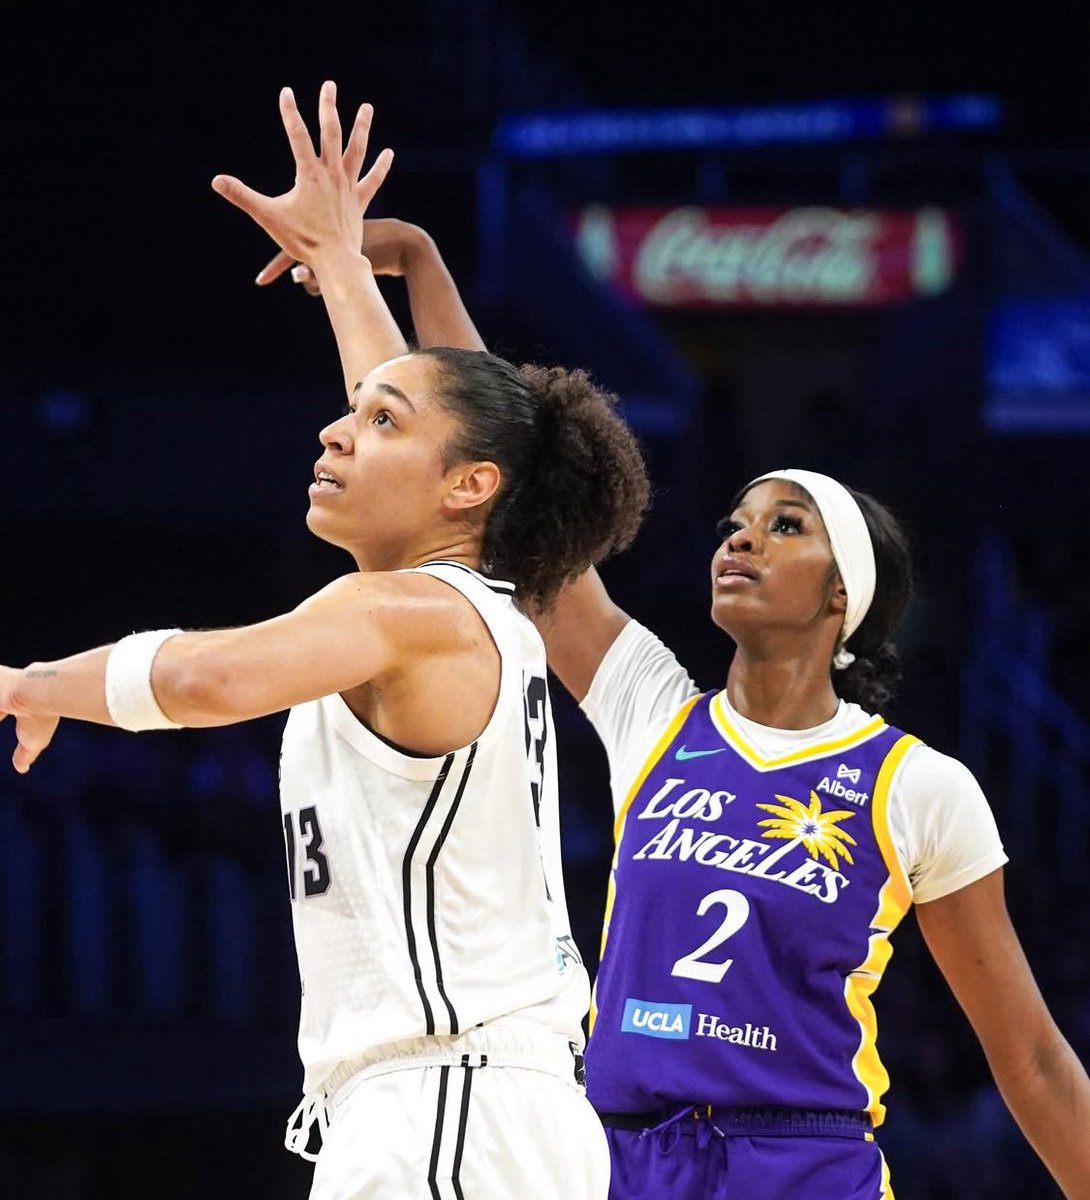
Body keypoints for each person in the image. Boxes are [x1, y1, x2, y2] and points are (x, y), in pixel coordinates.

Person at [264, 187, 1090, 1197]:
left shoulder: (918, 788)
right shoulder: (654, 712)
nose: (739, 536)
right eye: (737, 519)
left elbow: (1034, 1061)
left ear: (843, 596)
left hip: (800, 1161)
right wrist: (424, 271)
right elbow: (482, 481)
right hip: (613, 1155)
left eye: (785, 525)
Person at [0, 82, 652, 1199]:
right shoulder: (459, 599)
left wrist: (31, 680)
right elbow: (430, 422)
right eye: (356, 411)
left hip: (451, 1109)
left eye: (374, 424)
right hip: (475, 1107)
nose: (336, 426)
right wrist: (348, 267)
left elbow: (206, 677)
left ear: (468, 489)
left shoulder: (406, 613)